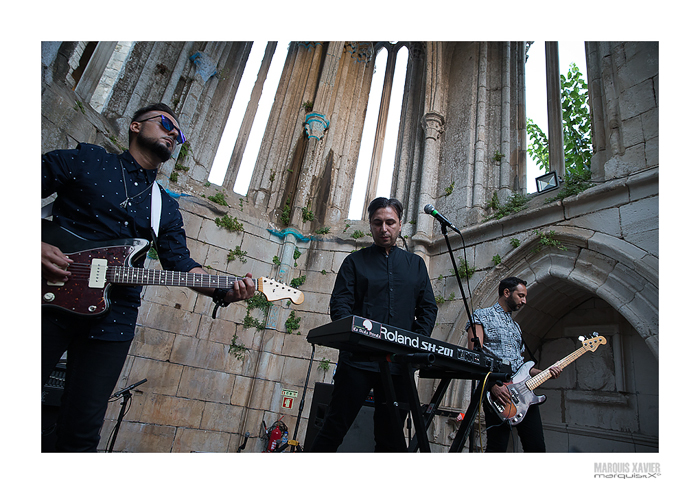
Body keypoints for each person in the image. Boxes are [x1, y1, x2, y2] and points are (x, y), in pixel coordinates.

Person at [41, 103, 256, 452]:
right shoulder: (86, 160)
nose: (174, 134)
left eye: (180, 134)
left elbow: (181, 265)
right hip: (47, 299)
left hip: (114, 318)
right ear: (135, 126)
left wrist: (225, 290)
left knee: (82, 431)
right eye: (167, 124)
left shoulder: (165, 207)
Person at [309, 197, 438, 452]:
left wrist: (412, 344)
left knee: (390, 438)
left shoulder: (415, 265)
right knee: (334, 428)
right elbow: (340, 306)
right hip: (357, 362)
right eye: (378, 223)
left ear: (400, 225)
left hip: (399, 366)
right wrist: (355, 337)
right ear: (370, 225)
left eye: (390, 222)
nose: (384, 228)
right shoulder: (354, 262)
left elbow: (428, 308)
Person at [466, 276, 561, 452]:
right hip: (498, 393)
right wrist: (492, 385)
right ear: (507, 292)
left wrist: (546, 372)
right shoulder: (481, 316)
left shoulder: (516, 327)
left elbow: (522, 366)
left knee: (537, 448)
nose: (525, 301)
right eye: (521, 295)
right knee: (497, 448)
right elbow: (474, 357)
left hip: (525, 396)